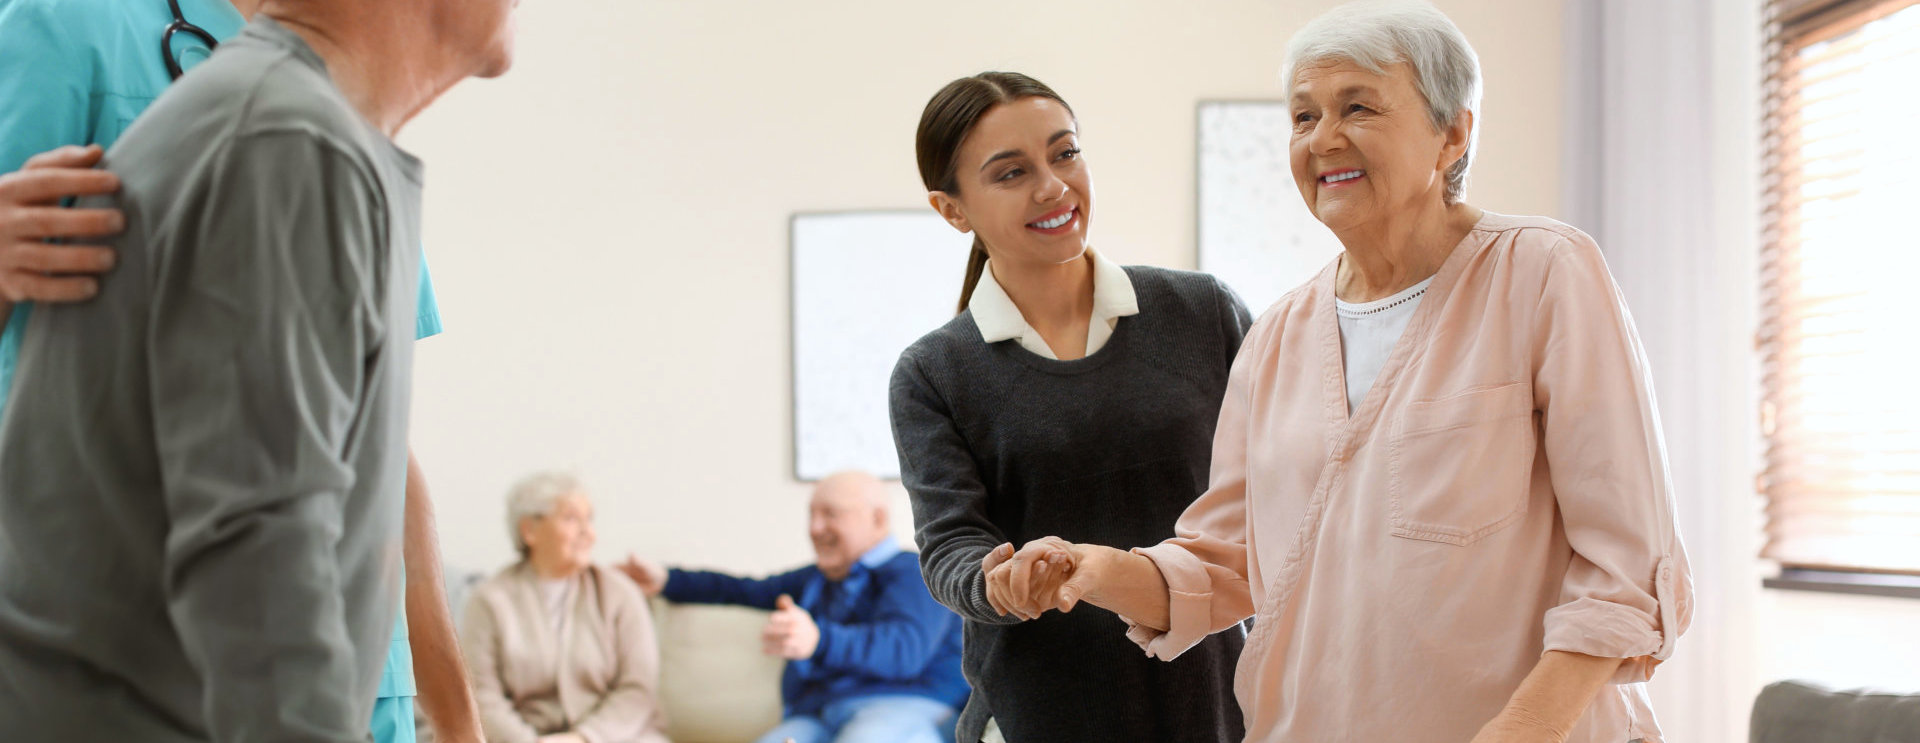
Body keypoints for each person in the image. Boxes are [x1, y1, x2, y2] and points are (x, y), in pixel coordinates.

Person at [989, 3, 1693, 742]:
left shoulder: (1544, 271)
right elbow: (1228, 562)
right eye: (1302, 117)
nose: (1323, 139)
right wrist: (1092, 569)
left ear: (1453, 132)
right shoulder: (1278, 335)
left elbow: (1627, 562)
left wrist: (1523, 726)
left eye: (1357, 106)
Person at [0, 0, 518, 737]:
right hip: (180, 667)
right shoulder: (74, 31)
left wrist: (459, 718)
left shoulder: (338, 122)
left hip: (344, 658)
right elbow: (251, 530)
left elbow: (374, 444)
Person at [887, 72, 1251, 743]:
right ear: (952, 209)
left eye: (1065, 153)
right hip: (1038, 713)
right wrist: (998, 581)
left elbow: (1277, 493)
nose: (1053, 185)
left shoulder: (1203, 312)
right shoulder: (933, 372)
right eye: (1011, 172)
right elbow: (949, 543)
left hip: (1213, 699)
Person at [620, 471, 967, 743]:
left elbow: (903, 650)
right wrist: (666, 580)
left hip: (906, 705)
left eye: (830, 514)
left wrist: (817, 640)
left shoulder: (915, 572)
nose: (815, 529)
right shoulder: (815, 579)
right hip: (818, 715)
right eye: (811, 515)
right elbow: (742, 590)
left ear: (877, 519)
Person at [460, 472, 671, 743]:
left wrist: (583, 738)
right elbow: (481, 694)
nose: (588, 533)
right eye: (571, 519)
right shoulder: (489, 600)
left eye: (589, 519)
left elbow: (638, 689)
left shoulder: (620, 594)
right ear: (529, 530)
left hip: (616, 737)